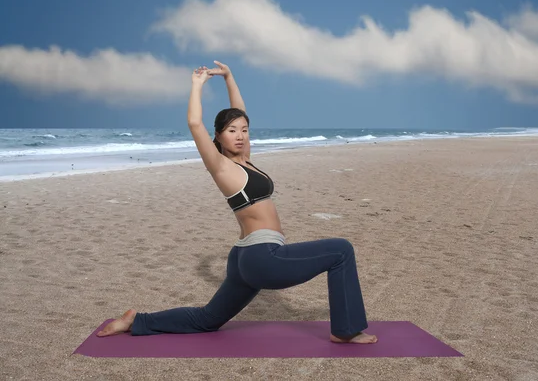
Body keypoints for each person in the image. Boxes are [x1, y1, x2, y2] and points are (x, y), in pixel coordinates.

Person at [97, 61, 377, 344]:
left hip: (243, 258)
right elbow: (195, 123)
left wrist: (229, 77)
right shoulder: (221, 167)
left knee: (208, 319)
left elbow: (241, 113)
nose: (240, 135)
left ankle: (137, 320)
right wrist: (197, 85)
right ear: (218, 136)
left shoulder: (245, 160)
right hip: (262, 257)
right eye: (232, 131)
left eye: (243, 130)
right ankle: (345, 330)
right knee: (341, 250)